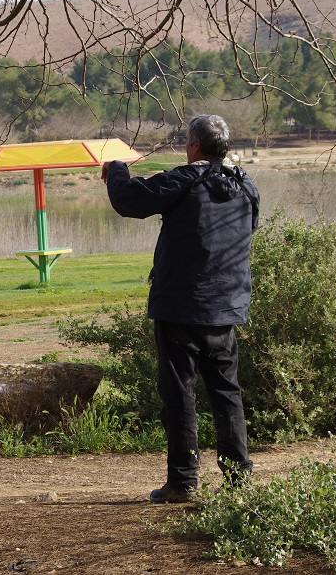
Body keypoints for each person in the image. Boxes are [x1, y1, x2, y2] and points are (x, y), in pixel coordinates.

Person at [101, 115, 259, 503]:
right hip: (225, 308)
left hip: (180, 308)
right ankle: (239, 481)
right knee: (227, 393)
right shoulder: (247, 187)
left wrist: (116, 169)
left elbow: (130, 200)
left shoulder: (186, 179)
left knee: (180, 395)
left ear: (194, 146)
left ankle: (183, 482)